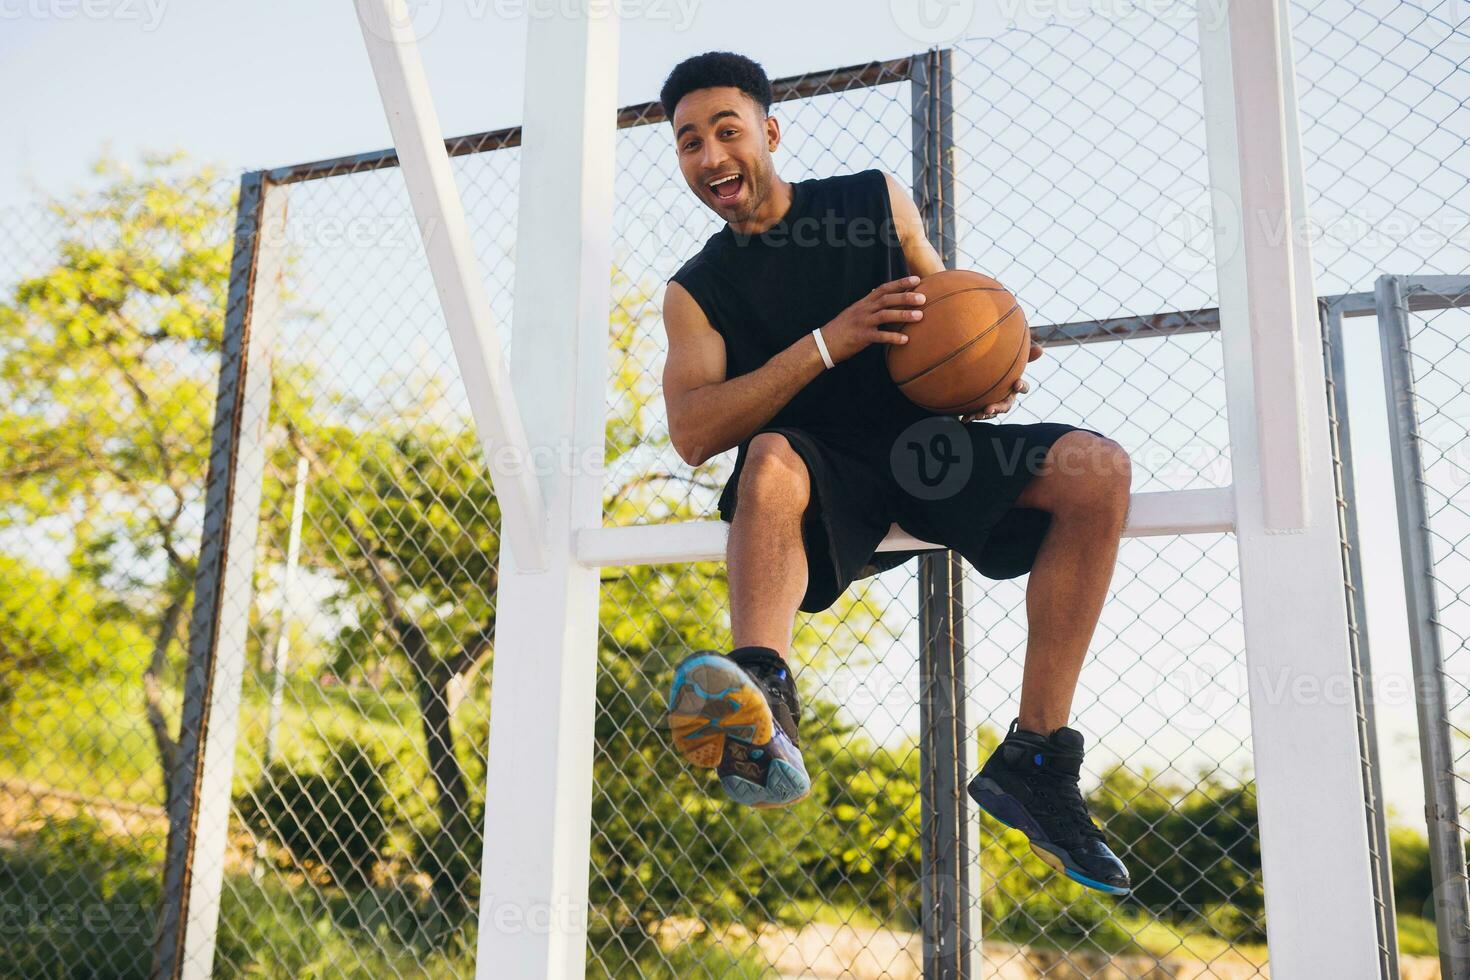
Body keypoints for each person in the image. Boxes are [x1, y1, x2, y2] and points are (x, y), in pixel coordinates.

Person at [658, 51, 1133, 895]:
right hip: (818, 474)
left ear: (767, 132)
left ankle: (1037, 759)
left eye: (727, 131)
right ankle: (762, 706)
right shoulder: (696, 291)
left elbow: (944, 302)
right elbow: (693, 432)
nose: (710, 156)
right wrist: (825, 344)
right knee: (768, 454)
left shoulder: (872, 198)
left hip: (927, 450)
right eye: (689, 142)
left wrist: (993, 366)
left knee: (1097, 470)